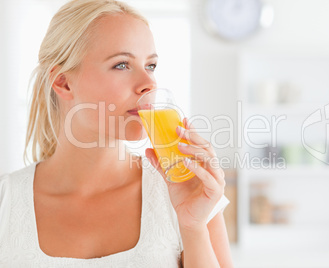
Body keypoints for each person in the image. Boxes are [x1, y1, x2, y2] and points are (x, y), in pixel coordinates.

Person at [0, 0, 233, 267]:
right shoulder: (5, 202)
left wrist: (193, 228)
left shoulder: (189, 193)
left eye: (151, 65)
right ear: (63, 82)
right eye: (122, 65)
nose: (149, 83)